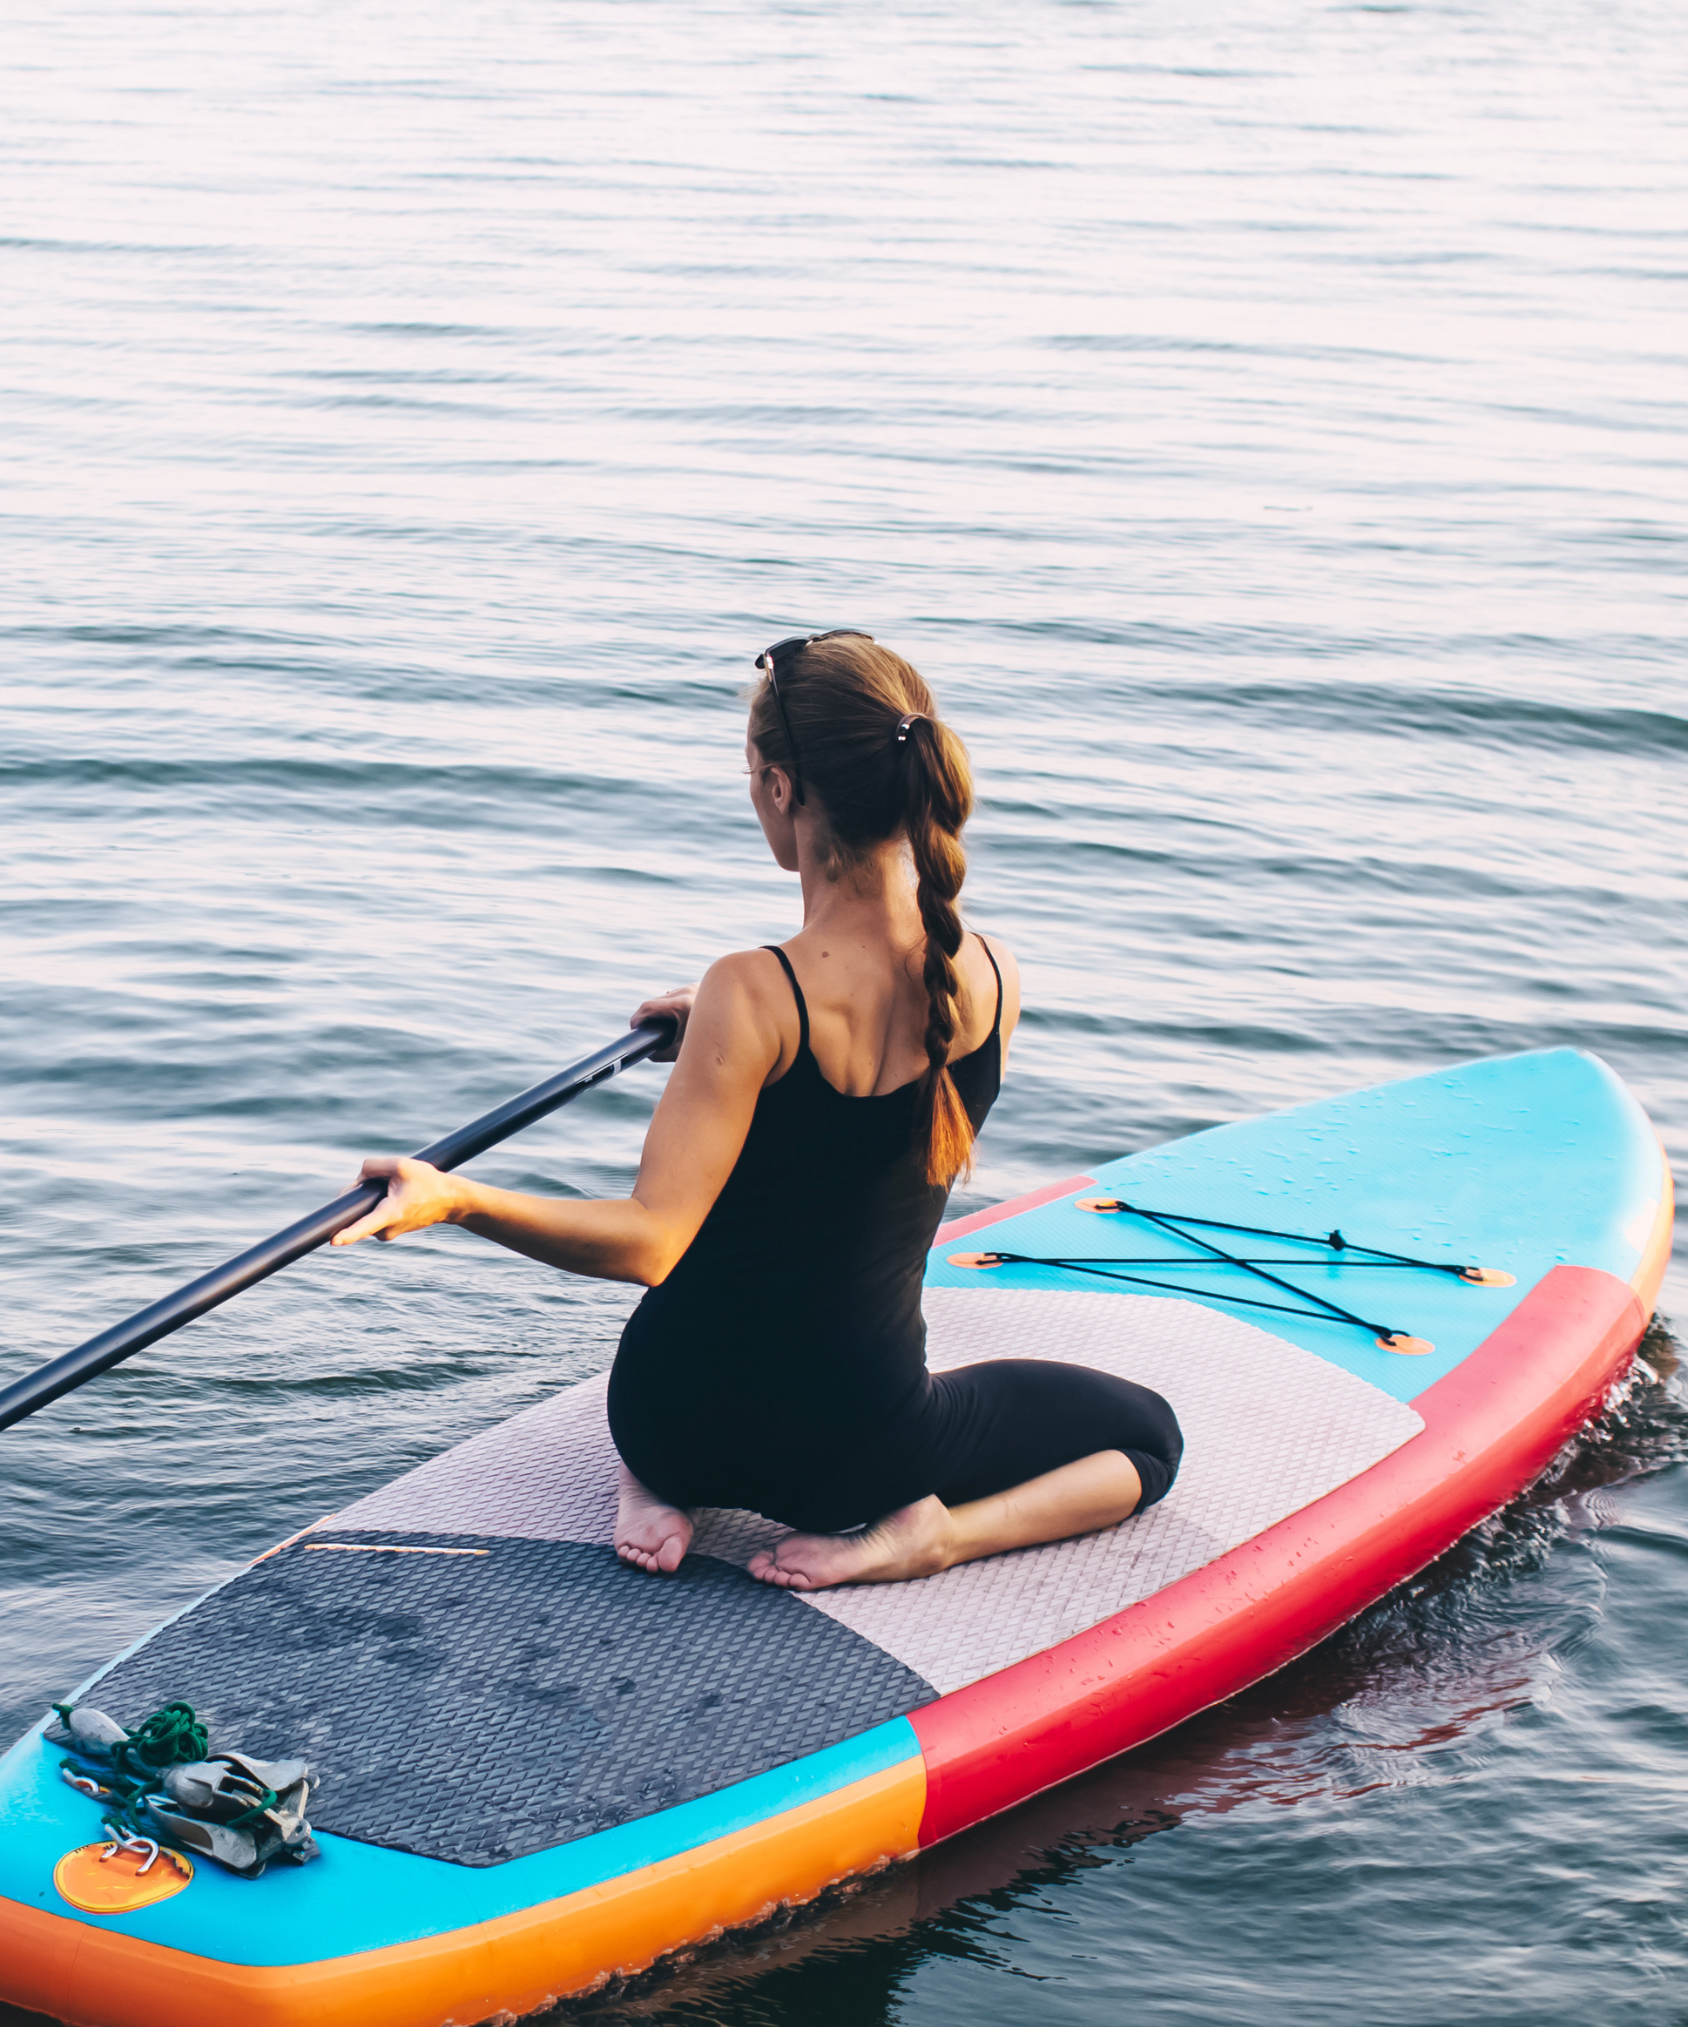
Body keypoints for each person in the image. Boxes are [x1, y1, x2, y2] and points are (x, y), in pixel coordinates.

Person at [336, 630, 1180, 1589]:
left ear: (782, 788)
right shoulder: (990, 974)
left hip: (668, 1424)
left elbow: (648, 1244)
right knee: (1149, 1437)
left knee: (697, 1351)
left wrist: (455, 1199)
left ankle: (653, 1490)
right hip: (858, 1458)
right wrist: (727, 1040)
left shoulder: (752, 994)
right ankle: (935, 1536)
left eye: (749, 775)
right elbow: (852, 1126)